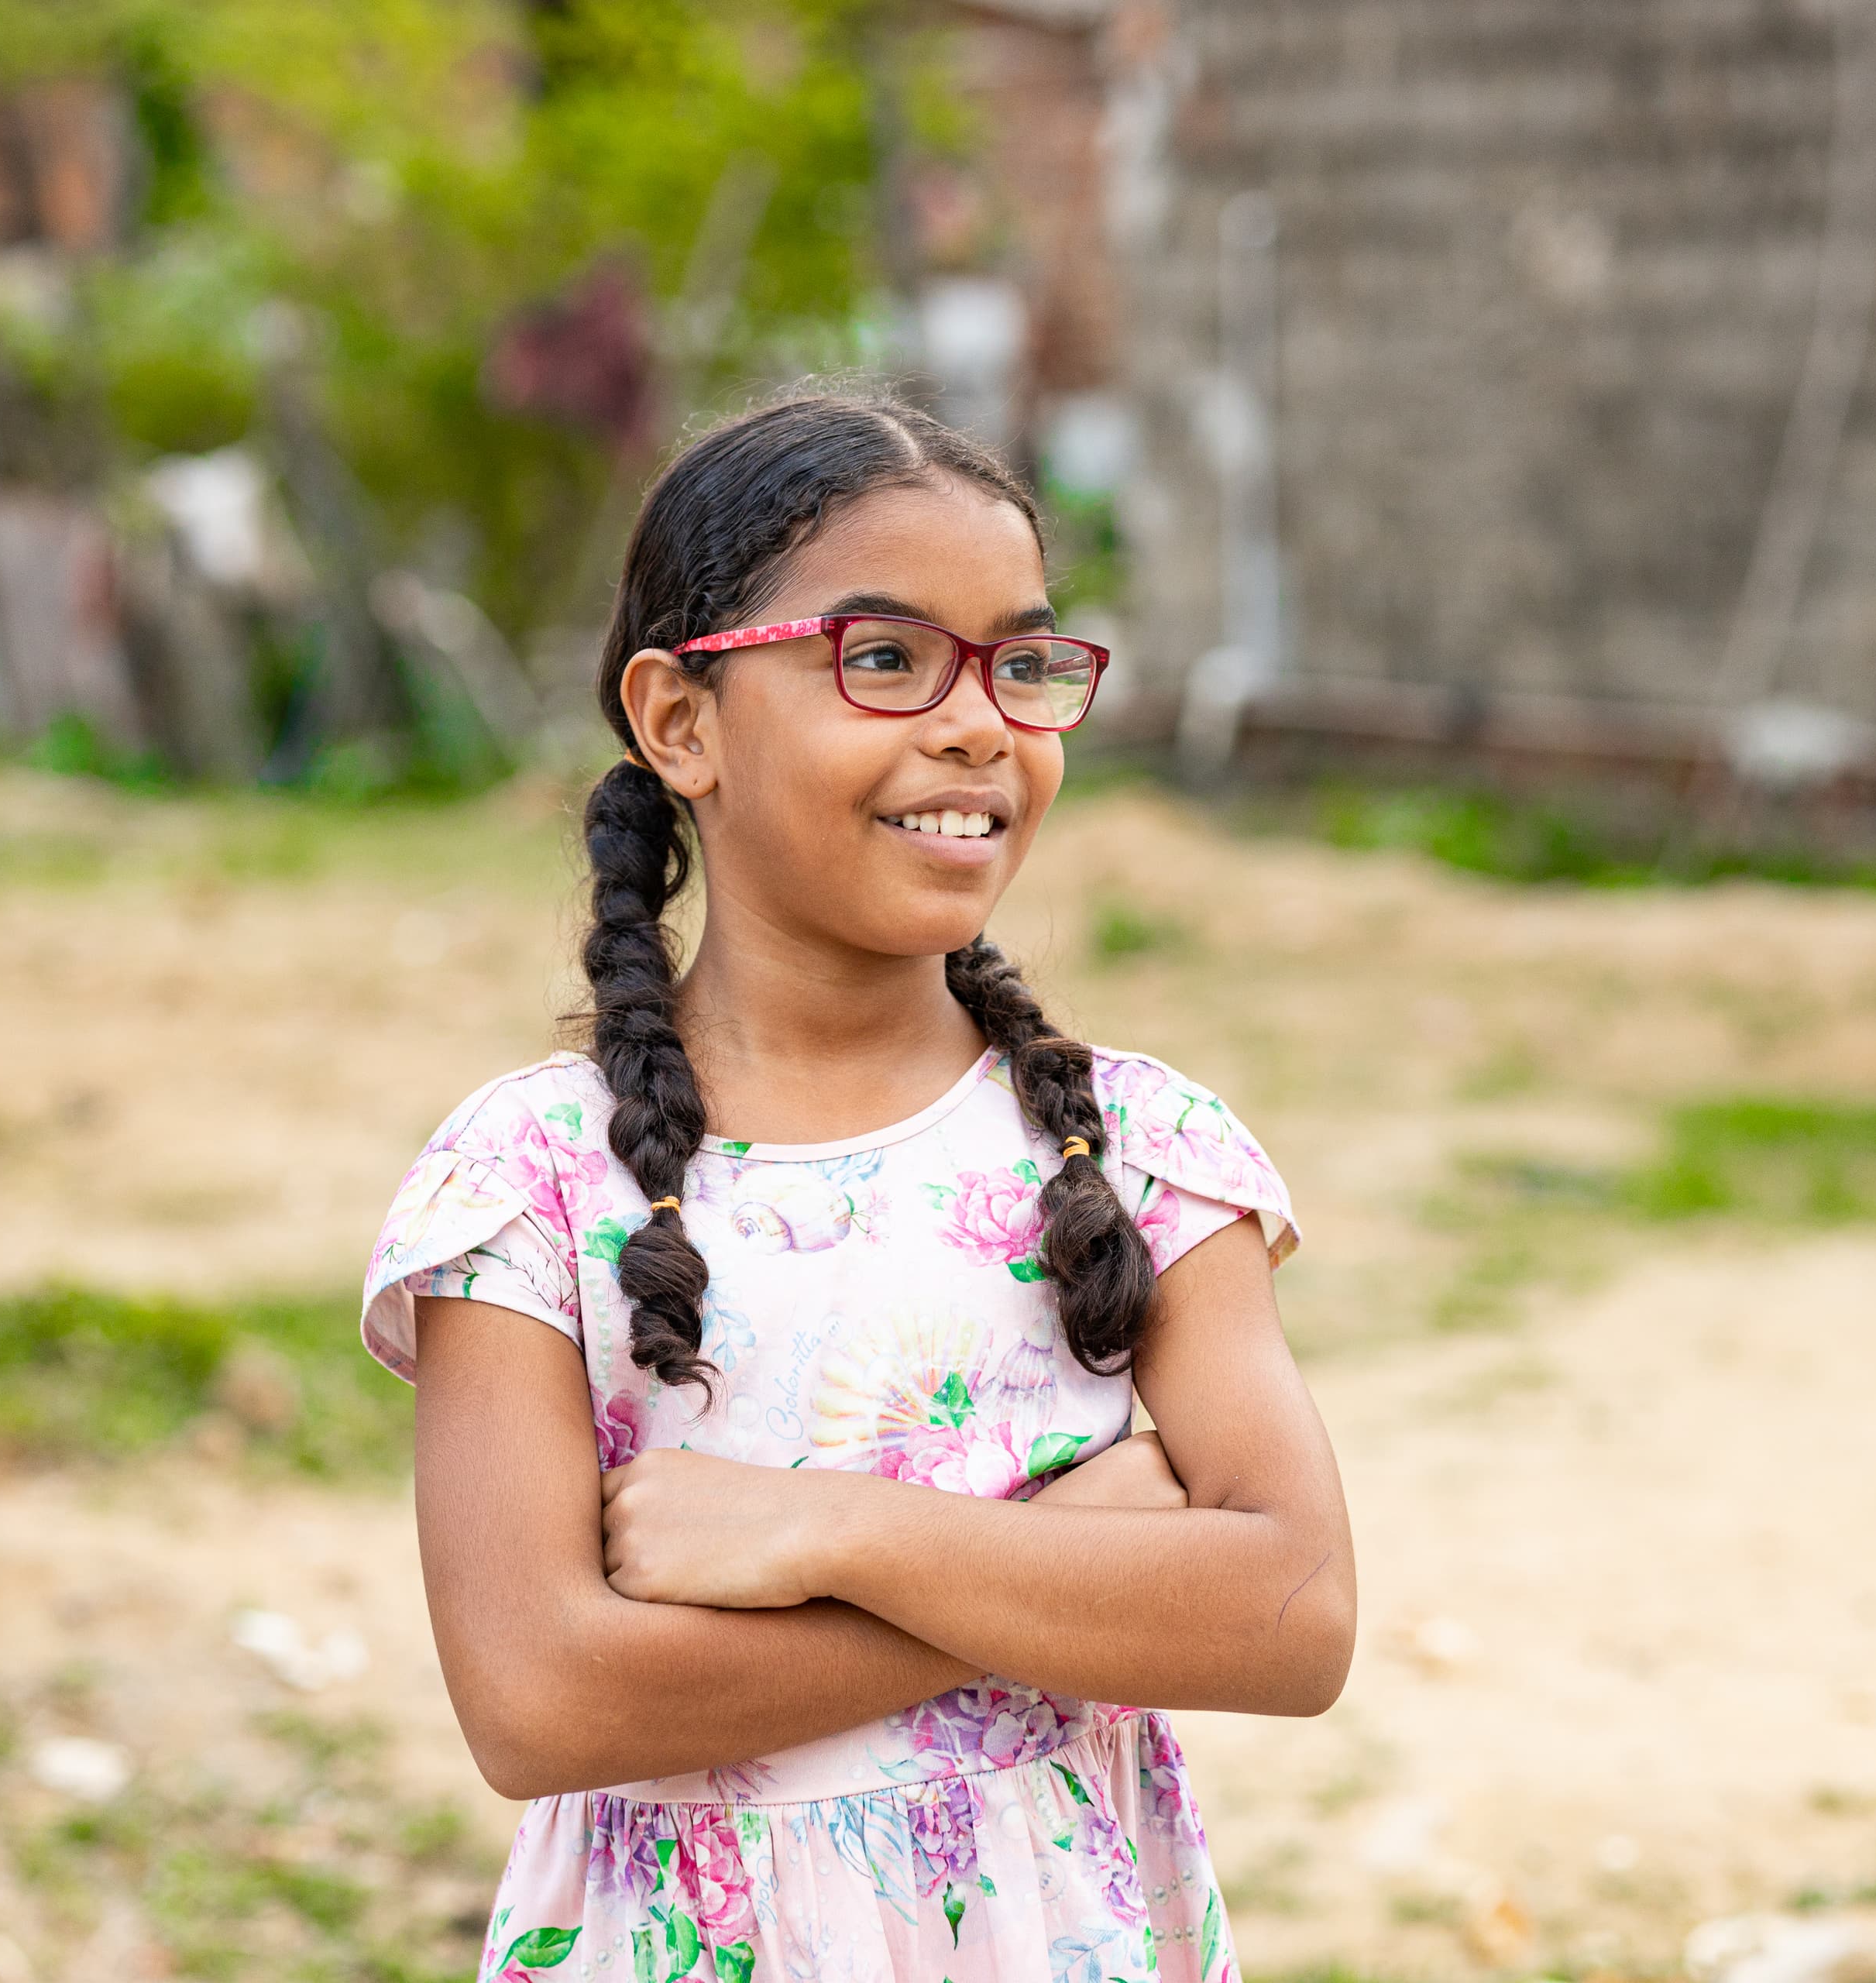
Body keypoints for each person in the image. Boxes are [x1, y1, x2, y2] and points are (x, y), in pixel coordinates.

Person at [359, 392, 1355, 1983]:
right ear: (682, 722)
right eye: (883, 659)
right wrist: (1060, 1563)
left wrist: (833, 1530)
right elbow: (542, 1698)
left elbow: (1292, 1614)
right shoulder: (529, 1181)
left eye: (1023, 663)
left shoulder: (1141, 1150)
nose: (980, 726)